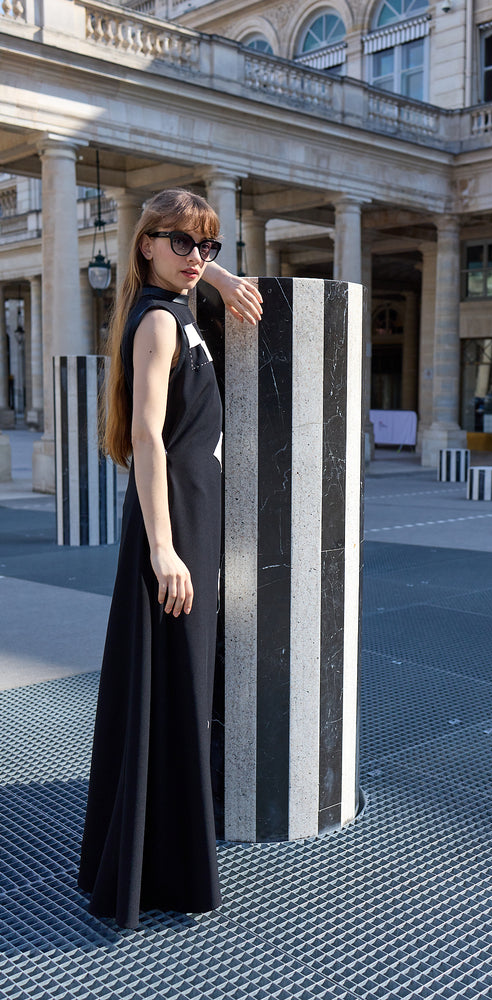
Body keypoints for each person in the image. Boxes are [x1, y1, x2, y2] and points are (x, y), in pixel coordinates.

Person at [78, 188, 262, 929]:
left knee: (176, 684)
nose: (196, 257)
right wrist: (164, 549)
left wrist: (213, 275)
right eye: (181, 243)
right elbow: (147, 439)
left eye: (207, 245)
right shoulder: (157, 321)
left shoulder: (177, 305)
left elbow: (201, 276)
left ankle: (162, 854)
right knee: (173, 687)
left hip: (193, 512)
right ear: (145, 243)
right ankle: (158, 870)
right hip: (174, 522)